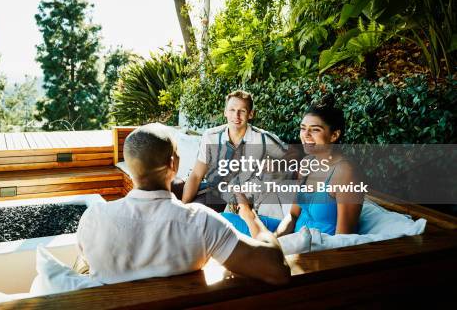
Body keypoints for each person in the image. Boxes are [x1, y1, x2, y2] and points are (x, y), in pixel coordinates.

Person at [76, 123, 290, 285]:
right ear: (173, 164)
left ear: (130, 168)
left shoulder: (93, 218)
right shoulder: (201, 222)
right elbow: (277, 271)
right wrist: (249, 215)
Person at [222, 95, 364, 237]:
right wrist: (276, 240)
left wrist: (252, 219)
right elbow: (292, 216)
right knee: (222, 220)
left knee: (235, 225)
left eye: (315, 130)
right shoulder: (307, 163)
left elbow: (344, 241)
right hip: (293, 238)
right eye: (303, 128)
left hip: (316, 250)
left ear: (334, 135)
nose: (305, 135)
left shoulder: (345, 173)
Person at [176, 90, 294, 213]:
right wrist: (183, 210)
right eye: (232, 110)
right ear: (225, 112)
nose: (236, 116)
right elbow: (196, 175)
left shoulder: (263, 139)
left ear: (250, 114)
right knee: (195, 215)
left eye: (242, 111)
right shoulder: (211, 136)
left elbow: (293, 157)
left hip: (247, 199)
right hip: (216, 194)